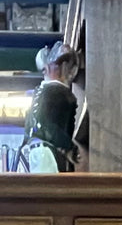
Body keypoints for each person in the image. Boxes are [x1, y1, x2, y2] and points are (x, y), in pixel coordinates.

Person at [20, 42, 80, 173]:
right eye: (59, 66)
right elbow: (43, 125)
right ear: (46, 70)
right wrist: (69, 146)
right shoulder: (51, 91)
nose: (63, 70)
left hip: (46, 151)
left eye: (66, 65)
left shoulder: (56, 92)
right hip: (44, 151)